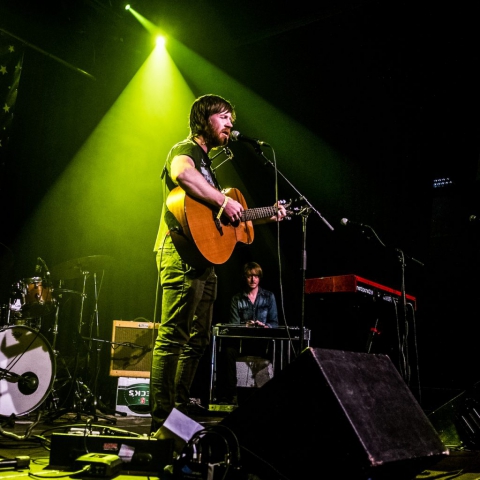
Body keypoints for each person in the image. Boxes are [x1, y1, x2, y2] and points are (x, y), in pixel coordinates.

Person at [150, 94, 287, 432]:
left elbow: (233, 219)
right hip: (181, 253)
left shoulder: (210, 166)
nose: (229, 124)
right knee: (172, 336)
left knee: (197, 339)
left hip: (204, 260)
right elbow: (182, 175)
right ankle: (161, 419)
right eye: (223, 117)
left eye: (231, 119)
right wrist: (223, 199)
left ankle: (180, 409)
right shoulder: (187, 149)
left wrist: (270, 214)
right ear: (203, 119)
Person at [215, 261, 279, 405]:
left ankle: (268, 396)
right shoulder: (237, 299)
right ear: (245, 277)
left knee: (275, 351)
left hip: (262, 344)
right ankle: (231, 395)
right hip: (242, 344)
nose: (253, 279)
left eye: (256, 276)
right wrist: (246, 325)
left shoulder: (269, 296)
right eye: (250, 276)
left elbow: (274, 322)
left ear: (259, 278)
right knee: (228, 351)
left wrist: (265, 326)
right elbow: (233, 325)